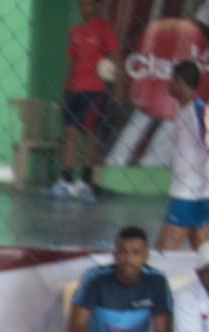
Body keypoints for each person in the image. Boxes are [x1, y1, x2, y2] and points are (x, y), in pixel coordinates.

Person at [156, 60, 209, 252]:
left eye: (171, 80)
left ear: (179, 83)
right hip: (195, 189)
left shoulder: (200, 112)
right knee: (201, 245)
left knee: (164, 250)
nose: (168, 85)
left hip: (191, 192)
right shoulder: (184, 110)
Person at [52, 0, 121, 200]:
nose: (85, 9)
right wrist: (64, 90)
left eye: (89, 5)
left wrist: (118, 89)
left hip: (95, 90)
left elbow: (117, 57)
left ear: (96, 6)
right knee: (70, 134)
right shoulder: (75, 32)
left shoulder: (105, 30)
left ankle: (85, 182)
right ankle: (66, 181)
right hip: (75, 90)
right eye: (82, 5)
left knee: (91, 135)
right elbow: (71, 63)